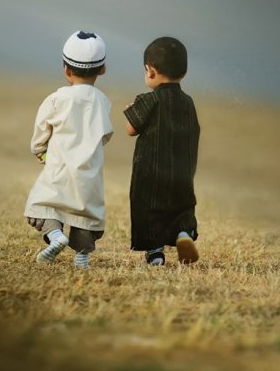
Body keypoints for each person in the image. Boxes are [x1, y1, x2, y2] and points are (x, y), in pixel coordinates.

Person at [24, 31, 113, 269]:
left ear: (66, 69)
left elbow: (41, 130)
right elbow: (105, 135)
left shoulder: (57, 98)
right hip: (89, 176)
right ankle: (82, 257)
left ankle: (56, 237)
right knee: (85, 217)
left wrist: (40, 150)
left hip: (59, 170)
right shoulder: (103, 101)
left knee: (42, 206)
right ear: (102, 69)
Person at [123, 36, 200, 265]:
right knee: (182, 207)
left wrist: (132, 110)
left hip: (151, 171)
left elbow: (131, 129)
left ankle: (155, 253)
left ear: (150, 70)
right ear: (184, 72)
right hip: (182, 172)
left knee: (150, 210)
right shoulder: (188, 102)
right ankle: (184, 233)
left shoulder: (149, 99)